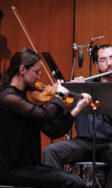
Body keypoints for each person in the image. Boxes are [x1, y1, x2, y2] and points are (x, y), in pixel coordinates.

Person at [43, 44, 112, 188]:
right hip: (84, 142)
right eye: (103, 60)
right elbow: (65, 114)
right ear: (96, 64)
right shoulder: (86, 83)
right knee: (51, 151)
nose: (109, 63)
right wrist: (65, 93)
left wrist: (88, 90)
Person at [0, 48, 91, 188]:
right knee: (74, 182)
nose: (39, 75)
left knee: (75, 181)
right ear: (22, 69)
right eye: (36, 71)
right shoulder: (9, 98)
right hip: (10, 169)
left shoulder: (27, 97)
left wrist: (77, 109)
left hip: (29, 167)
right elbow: (46, 116)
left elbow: (53, 131)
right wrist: (59, 95)